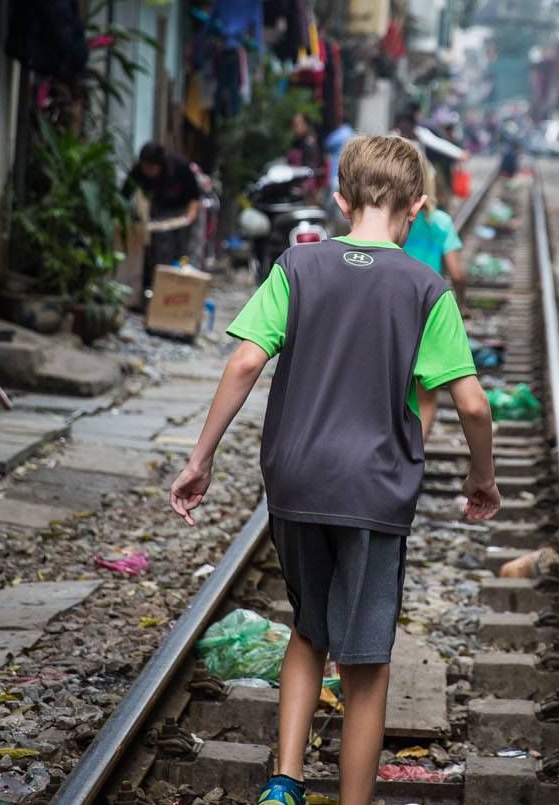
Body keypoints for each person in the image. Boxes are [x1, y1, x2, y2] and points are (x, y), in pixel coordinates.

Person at [167, 134, 501, 805]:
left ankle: (283, 783)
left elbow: (242, 362)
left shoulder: (298, 265)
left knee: (309, 628)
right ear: (416, 208)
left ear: (341, 199)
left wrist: (200, 457)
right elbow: (471, 403)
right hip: (374, 489)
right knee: (367, 665)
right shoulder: (424, 287)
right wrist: (481, 477)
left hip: (295, 480)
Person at [125, 142, 201, 278]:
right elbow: (124, 195)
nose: (147, 171)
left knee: (187, 250)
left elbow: (194, 197)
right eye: (145, 167)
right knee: (162, 251)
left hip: (184, 210)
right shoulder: (138, 171)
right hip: (161, 212)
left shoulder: (180, 166)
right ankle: (162, 285)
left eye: (151, 168)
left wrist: (189, 217)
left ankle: (189, 284)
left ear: (160, 165)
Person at [403, 162, 467, 305]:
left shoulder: (398, 219)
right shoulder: (441, 221)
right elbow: (456, 274)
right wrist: (461, 303)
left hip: (399, 294)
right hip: (429, 297)